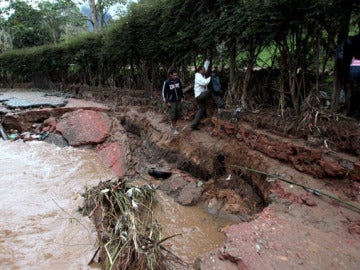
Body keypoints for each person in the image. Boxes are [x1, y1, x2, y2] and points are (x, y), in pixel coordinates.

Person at [162, 69, 184, 135]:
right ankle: (174, 128)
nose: (176, 76)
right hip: (171, 101)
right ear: (170, 75)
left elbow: (180, 89)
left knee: (178, 114)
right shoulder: (166, 82)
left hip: (178, 100)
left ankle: (172, 125)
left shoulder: (178, 80)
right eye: (174, 75)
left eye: (176, 75)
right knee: (172, 115)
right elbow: (164, 93)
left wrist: (182, 97)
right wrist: (166, 101)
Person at [190, 63, 212, 130]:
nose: (205, 71)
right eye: (203, 70)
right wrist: (211, 77)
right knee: (211, 91)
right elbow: (204, 82)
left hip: (199, 96)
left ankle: (194, 125)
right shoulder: (198, 76)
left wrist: (207, 62)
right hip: (200, 95)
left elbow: (205, 66)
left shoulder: (201, 75)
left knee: (201, 110)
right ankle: (220, 104)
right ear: (200, 70)